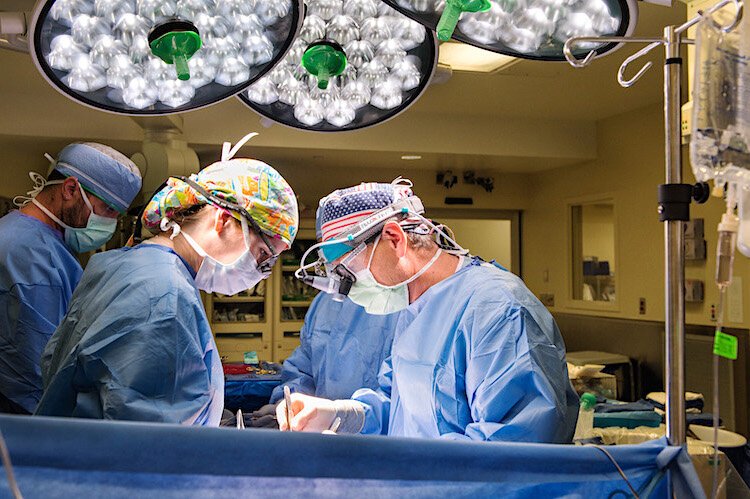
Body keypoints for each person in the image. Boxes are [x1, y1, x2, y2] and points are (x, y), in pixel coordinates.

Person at [278, 179, 579, 442]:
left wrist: (417, 477)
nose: (347, 290)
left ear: (395, 240)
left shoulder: (499, 311)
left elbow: (512, 448)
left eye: (348, 272)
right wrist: (340, 415)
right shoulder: (413, 309)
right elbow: (397, 404)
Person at [36, 134, 299, 426]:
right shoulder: (165, 296)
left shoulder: (122, 264)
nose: (261, 270)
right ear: (223, 221)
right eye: (263, 254)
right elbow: (153, 442)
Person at [0, 143, 142, 415]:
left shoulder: (45, 241)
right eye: (108, 210)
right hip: (24, 415)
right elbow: (40, 368)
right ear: (70, 189)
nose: (110, 224)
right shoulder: (28, 255)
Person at [249, 293, 399, 428]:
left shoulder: (402, 307)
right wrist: (288, 404)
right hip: (319, 440)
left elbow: (402, 402)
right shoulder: (326, 300)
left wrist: (347, 417)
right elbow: (304, 367)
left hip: (378, 448)